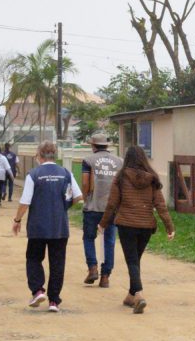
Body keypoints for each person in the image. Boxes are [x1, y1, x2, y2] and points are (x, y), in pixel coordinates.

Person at [99, 145, 175, 314]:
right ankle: (130, 295)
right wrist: (169, 227)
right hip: (146, 226)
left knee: (132, 261)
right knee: (135, 259)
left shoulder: (121, 177)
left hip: (126, 224)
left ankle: (139, 295)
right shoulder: (152, 178)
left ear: (127, 158)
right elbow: (160, 205)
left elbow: (112, 204)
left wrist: (103, 223)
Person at [12, 141, 83, 312]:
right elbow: (78, 196)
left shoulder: (34, 174)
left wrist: (17, 220)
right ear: (55, 155)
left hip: (37, 226)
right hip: (59, 226)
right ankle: (54, 301)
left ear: (39, 155)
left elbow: (25, 201)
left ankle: (37, 290)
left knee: (34, 258)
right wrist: (64, 206)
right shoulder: (65, 173)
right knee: (57, 262)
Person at [81, 133, 123, 288]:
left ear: (93, 146)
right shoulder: (119, 162)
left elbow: (85, 183)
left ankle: (92, 268)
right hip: (112, 208)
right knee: (109, 241)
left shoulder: (88, 160)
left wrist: (86, 198)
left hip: (93, 207)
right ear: (106, 145)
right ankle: (105, 277)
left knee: (88, 238)